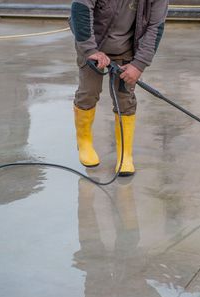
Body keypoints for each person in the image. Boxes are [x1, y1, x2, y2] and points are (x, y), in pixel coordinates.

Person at [69, 0, 168, 176]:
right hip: (92, 44)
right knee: (88, 93)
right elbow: (81, 8)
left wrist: (138, 65)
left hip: (127, 49)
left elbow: (155, 26)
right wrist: (90, 50)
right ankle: (84, 141)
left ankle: (125, 154)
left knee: (125, 100)